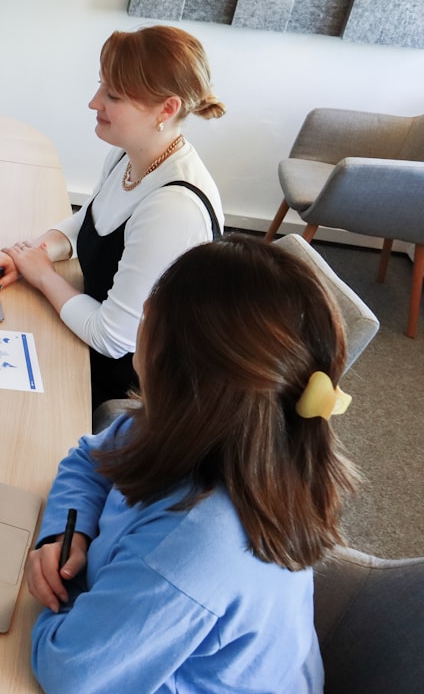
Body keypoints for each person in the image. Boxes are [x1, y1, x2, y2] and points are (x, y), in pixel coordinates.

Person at [24, 234, 359, 694]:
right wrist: (66, 531)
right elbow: (90, 457)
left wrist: (72, 590)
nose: (142, 314)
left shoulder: (194, 545)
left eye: (151, 311)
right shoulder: (213, 431)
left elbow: (68, 672)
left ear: (178, 368)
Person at [0, 25, 225, 407]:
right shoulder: (130, 155)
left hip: (132, 388)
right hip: (91, 342)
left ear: (166, 109)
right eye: (101, 86)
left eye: (112, 95)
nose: (93, 102)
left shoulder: (172, 209)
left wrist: (42, 275)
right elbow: (91, 219)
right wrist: (26, 252)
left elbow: (111, 336)